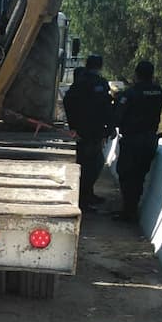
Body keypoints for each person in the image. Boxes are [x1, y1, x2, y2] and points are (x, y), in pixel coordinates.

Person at [113, 60, 162, 221]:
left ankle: (128, 211)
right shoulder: (159, 92)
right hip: (150, 140)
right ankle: (131, 210)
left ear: (136, 75)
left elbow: (117, 117)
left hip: (132, 141)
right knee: (139, 176)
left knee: (125, 174)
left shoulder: (130, 94)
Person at [63, 54, 114, 210]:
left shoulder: (81, 82)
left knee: (89, 164)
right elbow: (107, 107)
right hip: (93, 131)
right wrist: (109, 127)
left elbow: (68, 101)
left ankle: (87, 195)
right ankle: (83, 199)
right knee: (91, 165)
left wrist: (73, 125)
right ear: (100, 66)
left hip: (84, 130)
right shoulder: (99, 83)